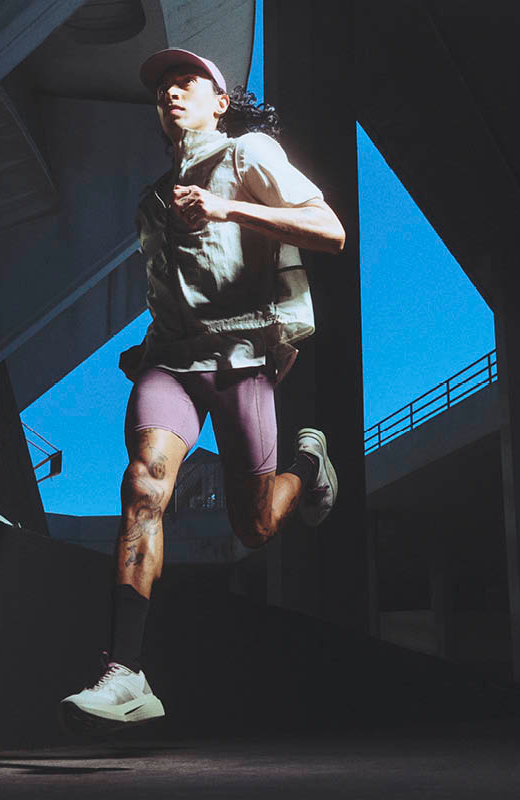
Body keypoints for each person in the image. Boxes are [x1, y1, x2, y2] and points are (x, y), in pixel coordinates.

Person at [59, 48, 345, 733]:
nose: (171, 92)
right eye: (162, 87)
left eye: (187, 82)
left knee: (254, 527)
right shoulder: (151, 200)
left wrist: (226, 208)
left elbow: (329, 231)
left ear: (219, 102)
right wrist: (150, 346)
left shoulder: (248, 155)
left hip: (243, 356)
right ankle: (125, 672)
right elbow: (176, 292)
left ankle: (308, 467)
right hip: (172, 364)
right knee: (142, 486)